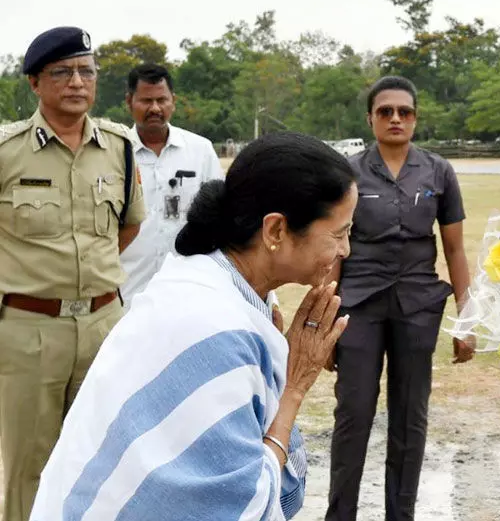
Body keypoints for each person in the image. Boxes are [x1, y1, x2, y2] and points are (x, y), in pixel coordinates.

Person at [29, 132, 357, 520]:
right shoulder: (216, 325)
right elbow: (243, 505)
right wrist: (294, 386)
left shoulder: (211, 284)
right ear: (275, 231)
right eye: (338, 233)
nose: (345, 250)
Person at [0, 26, 146, 521]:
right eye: (62, 72)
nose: (77, 82)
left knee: (103, 457)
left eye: (86, 71)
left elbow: (126, 228)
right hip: (29, 330)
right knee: (30, 465)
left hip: (105, 324)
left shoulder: (120, 147)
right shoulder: (6, 152)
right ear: (35, 83)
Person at [326, 75, 474, 521]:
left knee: (410, 417)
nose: (395, 119)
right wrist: (326, 319)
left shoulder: (438, 172)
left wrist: (466, 320)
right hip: (359, 306)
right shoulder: (346, 172)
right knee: (353, 413)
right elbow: (333, 246)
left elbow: (455, 249)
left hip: (418, 306)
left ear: (415, 118)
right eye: (385, 111)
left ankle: (400, 515)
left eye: (404, 112)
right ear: (371, 118)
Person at [119, 63, 224, 306]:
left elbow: (220, 217)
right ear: (129, 101)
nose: (155, 108)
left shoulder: (200, 151)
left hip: (189, 292)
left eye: (161, 100)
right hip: (127, 294)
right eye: (146, 101)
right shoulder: (116, 152)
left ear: (173, 101)